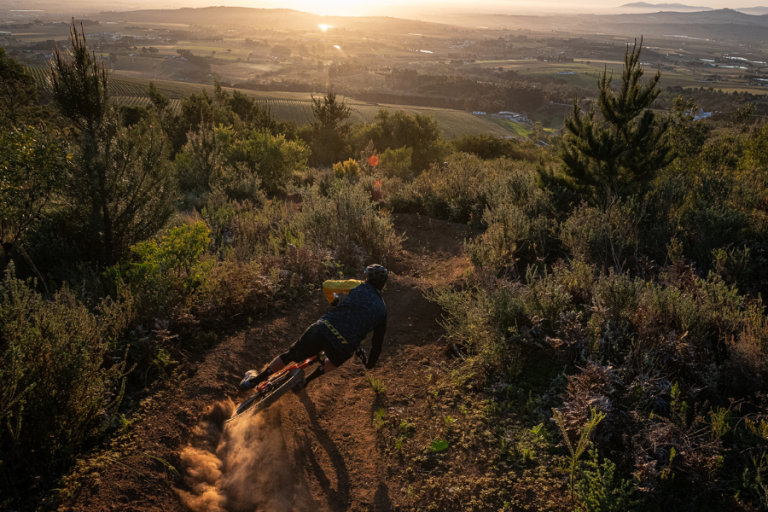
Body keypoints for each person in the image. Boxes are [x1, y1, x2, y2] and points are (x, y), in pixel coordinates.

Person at [239, 264, 388, 391]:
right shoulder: (382, 310)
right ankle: (305, 382)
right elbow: (377, 343)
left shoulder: (358, 285)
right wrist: (370, 363)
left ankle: (253, 381)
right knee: (335, 361)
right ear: (383, 285)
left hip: (324, 328)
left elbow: (327, 285)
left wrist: (334, 302)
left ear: (367, 277)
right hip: (344, 345)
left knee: (290, 355)